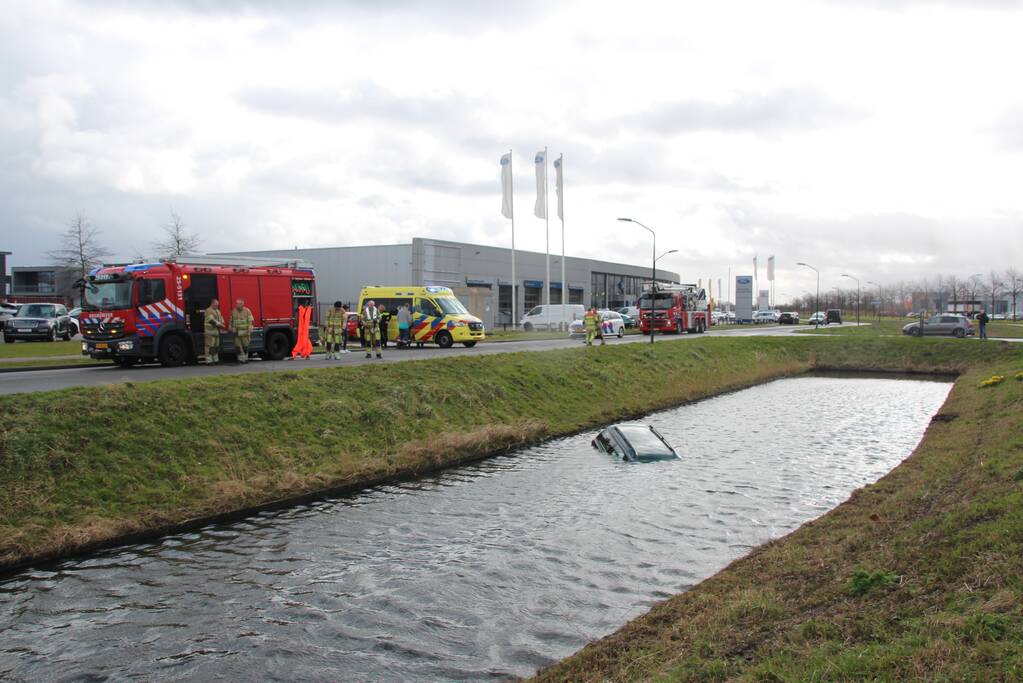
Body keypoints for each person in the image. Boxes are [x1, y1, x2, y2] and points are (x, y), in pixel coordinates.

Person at [229, 298, 254, 363]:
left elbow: (250, 321)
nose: (236, 304)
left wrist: (249, 329)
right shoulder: (233, 311)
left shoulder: (247, 311)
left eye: (238, 303)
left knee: (245, 347)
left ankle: (245, 359)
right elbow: (230, 322)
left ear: (242, 304)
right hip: (236, 333)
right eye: (236, 303)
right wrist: (230, 328)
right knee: (238, 347)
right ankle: (240, 359)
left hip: (245, 333)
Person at [204, 298, 226, 365]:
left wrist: (222, 323)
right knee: (209, 347)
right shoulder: (208, 310)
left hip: (216, 332)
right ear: (212, 303)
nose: (217, 306)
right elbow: (211, 320)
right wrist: (220, 325)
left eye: (217, 305)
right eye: (216, 304)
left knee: (216, 347)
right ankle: (209, 361)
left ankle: (216, 360)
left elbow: (221, 318)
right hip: (210, 332)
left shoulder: (217, 311)